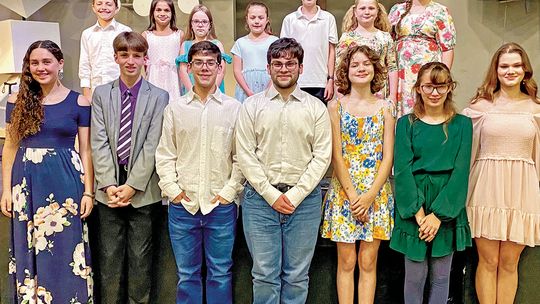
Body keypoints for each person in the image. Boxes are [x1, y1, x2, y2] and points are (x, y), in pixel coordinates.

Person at [236, 37, 332, 304]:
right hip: (259, 201)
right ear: (268, 68)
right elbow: (245, 155)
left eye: (290, 63)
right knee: (264, 275)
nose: (283, 68)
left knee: (297, 276)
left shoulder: (316, 108)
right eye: (277, 63)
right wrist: (270, 194)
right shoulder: (252, 106)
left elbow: (322, 156)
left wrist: (295, 195)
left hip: (304, 203)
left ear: (301, 68)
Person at [1, 40, 93, 303]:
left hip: (66, 186)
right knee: (27, 247)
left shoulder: (80, 101)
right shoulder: (15, 100)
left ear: (60, 64)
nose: (40, 68)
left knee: (66, 249)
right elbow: (9, 147)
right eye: (34, 63)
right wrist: (5, 190)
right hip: (26, 185)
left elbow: (85, 151)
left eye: (46, 61)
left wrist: (88, 192)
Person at [155, 40, 244, 304]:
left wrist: (229, 193)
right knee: (187, 275)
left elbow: (241, 158)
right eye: (198, 63)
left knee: (220, 273)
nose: (204, 68)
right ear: (189, 67)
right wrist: (173, 192)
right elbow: (165, 154)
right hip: (184, 206)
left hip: (221, 206)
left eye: (210, 63)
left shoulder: (234, 109)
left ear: (220, 68)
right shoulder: (175, 108)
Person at [90, 31, 168, 304]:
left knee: (140, 261)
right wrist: (110, 185)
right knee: (109, 260)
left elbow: (153, 143)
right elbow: (97, 141)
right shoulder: (101, 94)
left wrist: (132, 186)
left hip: (142, 189)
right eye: (124, 55)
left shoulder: (159, 96)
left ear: (146, 59)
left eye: (137, 55)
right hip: (108, 190)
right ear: (115, 58)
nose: (130, 61)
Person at [463, 42, 540, 304]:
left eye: (516, 65)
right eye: (504, 66)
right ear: (495, 70)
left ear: (525, 70)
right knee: (489, 260)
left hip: (523, 190)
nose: (511, 71)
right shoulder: (480, 106)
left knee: (509, 262)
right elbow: (468, 153)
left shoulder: (536, 108)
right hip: (486, 187)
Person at [391, 62, 472, 304]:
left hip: (445, 205)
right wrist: (419, 214)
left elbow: (460, 173)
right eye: (428, 86)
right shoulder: (406, 123)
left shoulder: (462, 124)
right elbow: (403, 170)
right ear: (418, 88)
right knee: (414, 277)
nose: (434, 93)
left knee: (441, 277)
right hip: (415, 205)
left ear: (450, 88)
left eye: (440, 86)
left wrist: (438, 215)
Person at [321, 45, 395, 304]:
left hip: (375, 193)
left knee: (368, 261)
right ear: (347, 71)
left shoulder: (386, 107)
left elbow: (388, 157)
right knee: (347, 261)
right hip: (345, 192)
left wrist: (370, 196)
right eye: (355, 65)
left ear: (375, 68)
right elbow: (336, 156)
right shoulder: (335, 106)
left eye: (366, 64)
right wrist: (354, 197)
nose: (361, 68)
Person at [389, 0, 456, 116]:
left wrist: (442, 78)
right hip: (401, 70)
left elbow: (447, 48)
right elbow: (388, 41)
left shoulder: (440, 11)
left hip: (428, 69)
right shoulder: (398, 9)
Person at [337, 0, 397, 102]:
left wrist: (393, 97)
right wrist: (340, 97)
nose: (367, 12)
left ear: (377, 11)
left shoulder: (385, 37)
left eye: (371, 8)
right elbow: (338, 68)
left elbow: (392, 67)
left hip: (379, 93)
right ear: (355, 12)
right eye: (362, 8)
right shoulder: (346, 38)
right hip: (353, 94)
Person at [281, 0, 338, 103]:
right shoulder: (289, 20)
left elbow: (331, 52)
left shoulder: (328, 18)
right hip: (296, 81)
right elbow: (284, 53)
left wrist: (330, 79)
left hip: (321, 82)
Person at [79, 0, 132, 100]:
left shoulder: (125, 31)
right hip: (96, 90)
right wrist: (87, 94)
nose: (103, 7)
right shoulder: (87, 34)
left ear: (116, 8)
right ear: (93, 7)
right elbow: (84, 65)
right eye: (99, 4)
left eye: (108, 4)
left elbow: (130, 62)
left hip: (121, 89)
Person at [176, 4, 231, 95]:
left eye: (204, 22)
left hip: (214, 92)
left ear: (210, 25)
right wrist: (193, 92)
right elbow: (183, 71)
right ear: (191, 24)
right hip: (192, 91)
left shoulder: (217, 44)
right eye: (196, 21)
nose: (200, 25)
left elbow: (221, 71)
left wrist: (211, 92)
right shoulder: (185, 45)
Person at [231, 1, 278, 102]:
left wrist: (268, 90)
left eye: (261, 18)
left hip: (270, 87)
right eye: (253, 18)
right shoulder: (240, 43)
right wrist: (248, 91)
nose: (257, 21)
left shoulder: (274, 41)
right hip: (245, 89)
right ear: (247, 19)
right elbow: (237, 70)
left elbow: (277, 68)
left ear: (267, 20)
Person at [142, 0, 184, 102]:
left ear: (172, 13)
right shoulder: (146, 35)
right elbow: (144, 63)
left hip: (174, 81)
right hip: (153, 79)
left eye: (166, 10)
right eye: (158, 10)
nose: (162, 13)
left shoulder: (179, 35)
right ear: (152, 13)